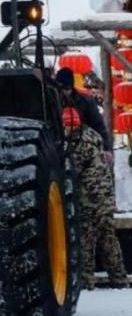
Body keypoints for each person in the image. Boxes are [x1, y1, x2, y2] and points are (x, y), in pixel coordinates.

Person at [57, 68, 129, 289]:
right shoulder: (92, 137)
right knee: (108, 237)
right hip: (104, 197)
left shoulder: (79, 141)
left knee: (86, 237)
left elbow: (73, 170)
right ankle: (119, 278)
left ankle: (86, 280)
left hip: (90, 198)